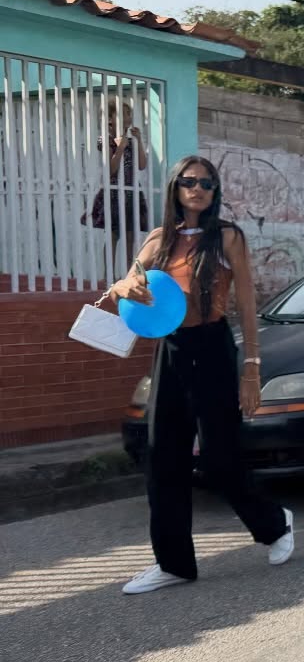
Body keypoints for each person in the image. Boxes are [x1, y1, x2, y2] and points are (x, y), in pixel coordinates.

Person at [99, 156, 293, 594]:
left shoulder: (226, 237)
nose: (198, 189)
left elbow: (247, 303)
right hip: (170, 348)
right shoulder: (158, 240)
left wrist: (251, 368)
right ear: (176, 187)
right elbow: (126, 286)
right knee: (163, 457)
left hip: (212, 347)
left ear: (214, 192)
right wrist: (122, 288)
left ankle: (275, 524)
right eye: (190, 181)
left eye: (208, 183)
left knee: (221, 458)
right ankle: (174, 564)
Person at [82, 100, 150, 269]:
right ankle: (109, 275)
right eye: (123, 114)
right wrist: (120, 148)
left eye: (129, 114)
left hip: (131, 191)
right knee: (113, 234)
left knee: (130, 235)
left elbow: (142, 165)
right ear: (110, 118)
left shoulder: (131, 140)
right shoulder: (105, 139)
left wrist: (138, 140)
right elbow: (110, 170)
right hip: (113, 191)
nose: (128, 117)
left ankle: (127, 274)